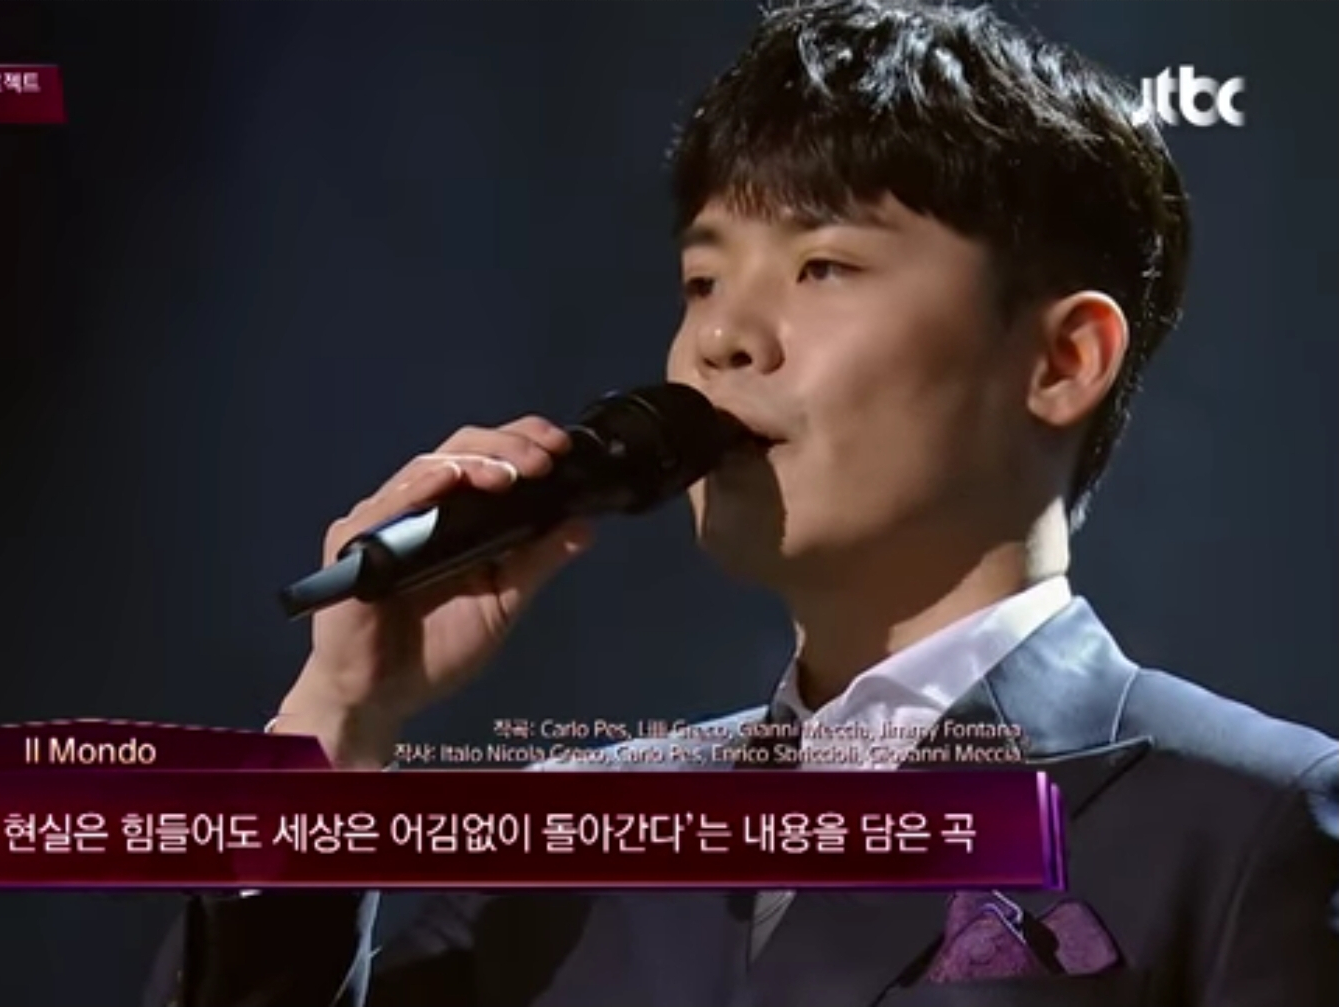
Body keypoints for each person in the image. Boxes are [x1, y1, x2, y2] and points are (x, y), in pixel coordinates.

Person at [145, 1, 1339, 1004]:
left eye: (823, 265)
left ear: (1062, 359)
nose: (719, 338)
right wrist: (338, 719)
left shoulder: (1249, 817)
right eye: (702, 278)